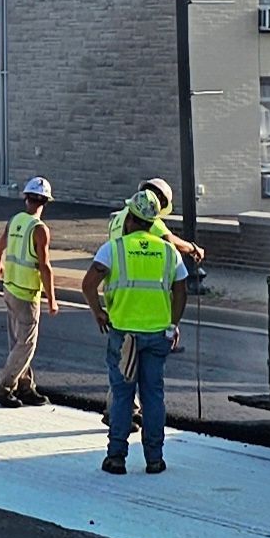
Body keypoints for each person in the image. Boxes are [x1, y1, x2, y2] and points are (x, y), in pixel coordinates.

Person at [82, 188, 188, 476]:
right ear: (152, 222)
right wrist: (172, 324)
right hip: (157, 335)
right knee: (153, 395)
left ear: (130, 219)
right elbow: (181, 289)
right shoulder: (168, 252)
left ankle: (116, 457)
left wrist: (98, 312)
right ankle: (155, 459)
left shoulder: (113, 249)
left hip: (124, 335)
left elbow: (88, 284)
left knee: (122, 396)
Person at [0, 177, 57, 407]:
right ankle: (4, 388)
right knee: (26, 344)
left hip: (10, 288)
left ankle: (25, 387)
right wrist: (52, 299)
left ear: (26, 198)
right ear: (46, 202)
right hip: (27, 294)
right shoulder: (40, 230)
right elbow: (44, 266)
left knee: (17, 342)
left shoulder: (15, 220)